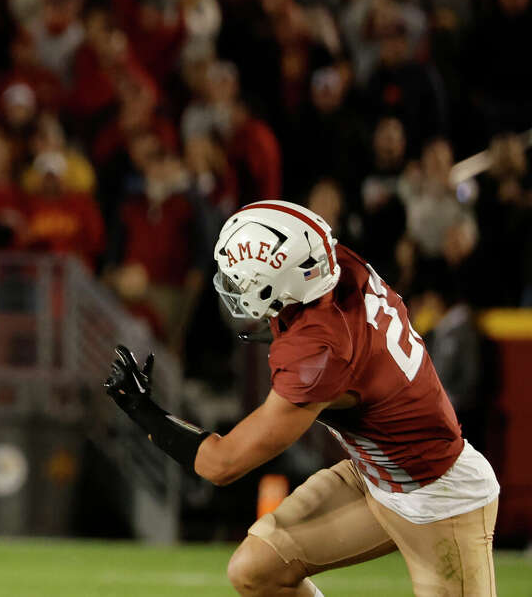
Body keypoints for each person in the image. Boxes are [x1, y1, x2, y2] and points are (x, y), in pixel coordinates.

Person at [101, 199, 500, 597]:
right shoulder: (336, 266)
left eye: (243, 281)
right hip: (376, 475)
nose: (236, 289)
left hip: (438, 494)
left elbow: (221, 463)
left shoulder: (321, 351)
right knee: (256, 570)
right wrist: (287, 327)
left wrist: (143, 410)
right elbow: (319, 317)